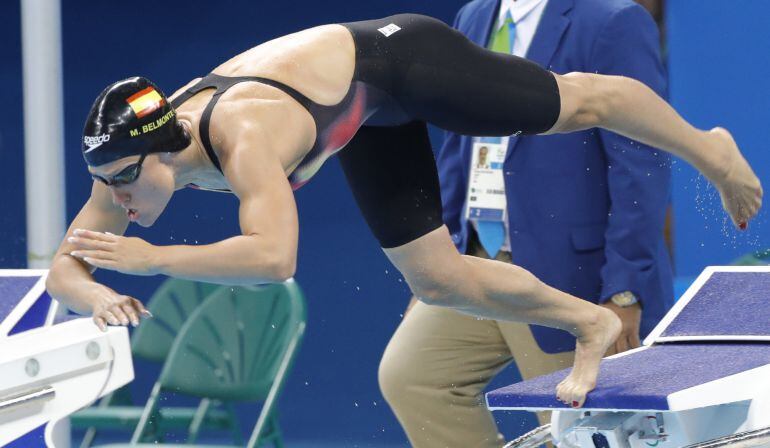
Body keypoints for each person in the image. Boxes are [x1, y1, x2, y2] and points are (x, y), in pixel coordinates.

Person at [45, 13, 761, 409]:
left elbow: (274, 259)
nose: (117, 200)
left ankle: (711, 149)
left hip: (397, 64)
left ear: (163, 153)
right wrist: (99, 293)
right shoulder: (129, 163)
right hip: (359, 118)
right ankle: (590, 322)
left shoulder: (246, 131)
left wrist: (150, 260)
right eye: (109, 186)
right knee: (438, 280)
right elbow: (63, 270)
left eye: (125, 183)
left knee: (579, 103)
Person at [377, 1, 674, 446]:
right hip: (478, 263)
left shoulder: (612, 20)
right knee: (413, 376)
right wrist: (440, 264)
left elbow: (642, 163)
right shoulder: (474, 16)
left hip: (570, 275)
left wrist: (625, 287)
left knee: (571, 428)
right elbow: (461, 148)